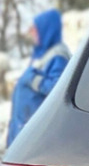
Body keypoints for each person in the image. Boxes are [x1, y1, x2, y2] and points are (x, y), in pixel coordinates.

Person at [6, 9, 71, 147]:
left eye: (36, 30)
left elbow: (57, 88)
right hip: (25, 128)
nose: (32, 33)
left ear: (46, 29)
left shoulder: (58, 56)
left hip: (35, 134)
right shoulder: (42, 53)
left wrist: (32, 79)